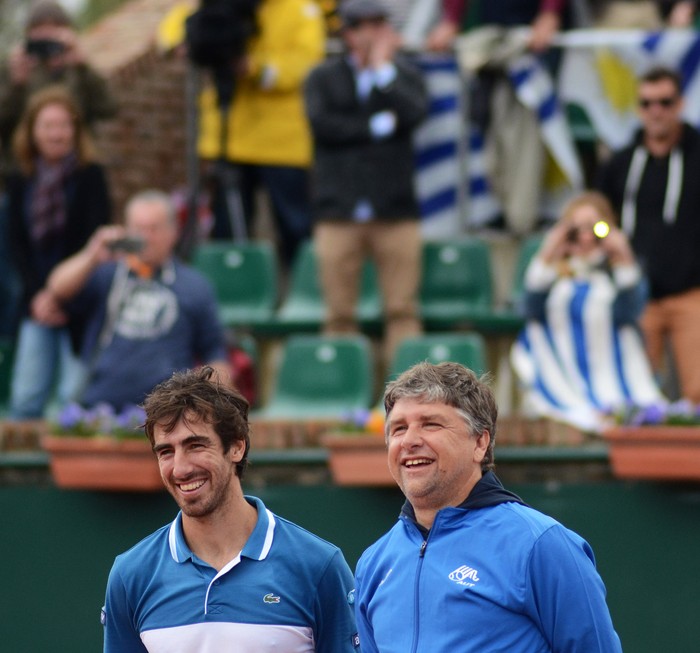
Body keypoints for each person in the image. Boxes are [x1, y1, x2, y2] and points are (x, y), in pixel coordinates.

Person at [354, 361, 622, 652]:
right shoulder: (374, 563)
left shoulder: (541, 545)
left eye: (430, 424)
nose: (410, 441)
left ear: (480, 443)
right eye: (398, 429)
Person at [102, 365, 358, 652]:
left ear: (236, 448)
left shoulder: (319, 566)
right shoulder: (130, 575)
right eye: (166, 452)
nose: (181, 468)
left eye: (196, 445)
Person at [304, 0, 428, 363]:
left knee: (402, 310)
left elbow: (415, 113)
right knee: (339, 314)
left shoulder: (402, 76)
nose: (372, 34)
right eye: (363, 26)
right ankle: (338, 392)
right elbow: (323, 126)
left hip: (395, 209)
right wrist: (375, 128)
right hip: (339, 210)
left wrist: (383, 72)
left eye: (379, 25)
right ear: (348, 33)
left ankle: (409, 395)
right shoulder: (323, 77)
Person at [46, 189, 230, 410]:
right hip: (98, 409)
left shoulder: (195, 286)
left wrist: (212, 403)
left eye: (154, 229)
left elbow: (215, 352)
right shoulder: (106, 274)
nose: (146, 238)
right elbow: (57, 288)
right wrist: (92, 254)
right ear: (126, 231)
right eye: (139, 229)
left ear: (174, 232)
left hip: (167, 413)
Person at [510, 191, 664, 431]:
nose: (585, 237)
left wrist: (623, 255)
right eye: (575, 229)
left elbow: (630, 312)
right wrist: (550, 250)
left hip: (610, 366)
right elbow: (529, 310)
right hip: (562, 370)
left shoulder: (616, 270)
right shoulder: (552, 268)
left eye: (594, 228)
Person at [194, 0, 325, 267]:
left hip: (282, 145)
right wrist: (182, 42)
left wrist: (255, 68)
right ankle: (234, 294)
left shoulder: (300, 9)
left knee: (295, 226)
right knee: (227, 231)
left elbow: (306, 64)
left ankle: (303, 292)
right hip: (227, 141)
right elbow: (177, 26)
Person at [7, 86, 111, 419]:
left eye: (64, 125)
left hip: (79, 302)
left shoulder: (91, 177)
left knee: (74, 398)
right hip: (35, 302)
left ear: (75, 131)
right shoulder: (19, 180)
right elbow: (15, 246)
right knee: (25, 398)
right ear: (32, 132)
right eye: (48, 126)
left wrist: (62, 293)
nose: (56, 133)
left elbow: (94, 241)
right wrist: (41, 296)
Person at [597, 66, 700, 402]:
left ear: (680, 104)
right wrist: (608, 244)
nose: (656, 111)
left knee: (697, 391)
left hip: (692, 294)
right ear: (639, 108)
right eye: (647, 103)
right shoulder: (622, 162)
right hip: (637, 294)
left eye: (665, 102)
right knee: (637, 395)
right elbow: (600, 214)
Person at [0, 1, 117, 164]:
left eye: (55, 27)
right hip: (23, 169)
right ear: (28, 35)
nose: (47, 34)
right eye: (39, 28)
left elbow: (109, 108)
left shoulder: (78, 69)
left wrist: (83, 67)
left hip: (76, 165)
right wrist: (16, 85)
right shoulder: (15, 70)